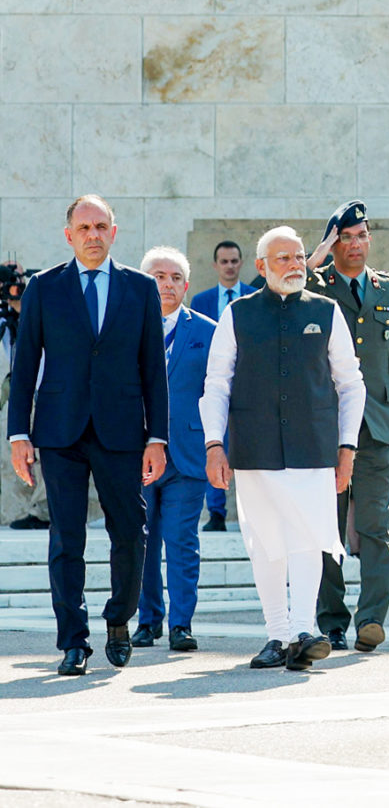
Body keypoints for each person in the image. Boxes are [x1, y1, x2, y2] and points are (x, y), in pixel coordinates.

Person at [6, 195, 168, 676]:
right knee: (66, 538)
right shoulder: (44, 287)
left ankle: (119, 620)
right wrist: (19, 433)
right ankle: (73, 641)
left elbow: (153, 370)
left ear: (113, 232)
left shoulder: (140, 288)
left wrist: (156, 437)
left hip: (122, 432)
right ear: (69, 235)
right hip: (60, 431)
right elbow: (25, 364)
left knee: (130, 535)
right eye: (84, 227)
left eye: (101, 226)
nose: (93, 235)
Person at [202, 226, 365, 672]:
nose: (295, 265)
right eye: (283, 259)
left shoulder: (328, 312)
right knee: (266, 543)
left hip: (314, 446)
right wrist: (214, 444)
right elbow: (216, 384)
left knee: (309, 536)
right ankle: (278, 634)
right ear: (261, 267)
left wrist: (347, 447)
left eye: (298, 257)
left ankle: (303, 629)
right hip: (253, 449)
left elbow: (351, 384)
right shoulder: (237, 314)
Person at [307, 200, 389, 654]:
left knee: (374, 524)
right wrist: (312, 259)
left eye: (361, 236)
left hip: (376, 425)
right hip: (324, 428)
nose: (355, 245)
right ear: (333, 242)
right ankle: (331, 620)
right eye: (345, 237)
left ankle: (371, 619)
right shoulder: (310, 285)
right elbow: (261, 296)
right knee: (324, 529)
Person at [132, 247, 216, 653]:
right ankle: (148, 621)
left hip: (188, 452)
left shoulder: (207, 331)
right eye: (158, 276)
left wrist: (221, 447)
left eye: (175, 277)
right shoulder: (125, 326)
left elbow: (221, 394)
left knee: (182, 540)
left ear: (187, 285)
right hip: (137, 453)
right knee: (141, 542)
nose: (167, 284)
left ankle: (182, 623)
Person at [193, 241, 255, 532]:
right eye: (224, 261)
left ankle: (249, 511)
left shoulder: (254, 298)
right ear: (216, 265)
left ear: (241, 263)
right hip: (213, 384)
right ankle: (216, 513)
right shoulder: (201, 302)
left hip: (247, 386)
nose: (229, 266)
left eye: (234, 260)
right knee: (214, 444)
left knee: (246, 449)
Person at [0, 260, 51, 530]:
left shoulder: (37, 305)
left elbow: (31, 316)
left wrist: (19, 291)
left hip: (47, 391)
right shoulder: (4, 318)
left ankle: (44, 510)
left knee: (45, 451)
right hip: (23, 393)